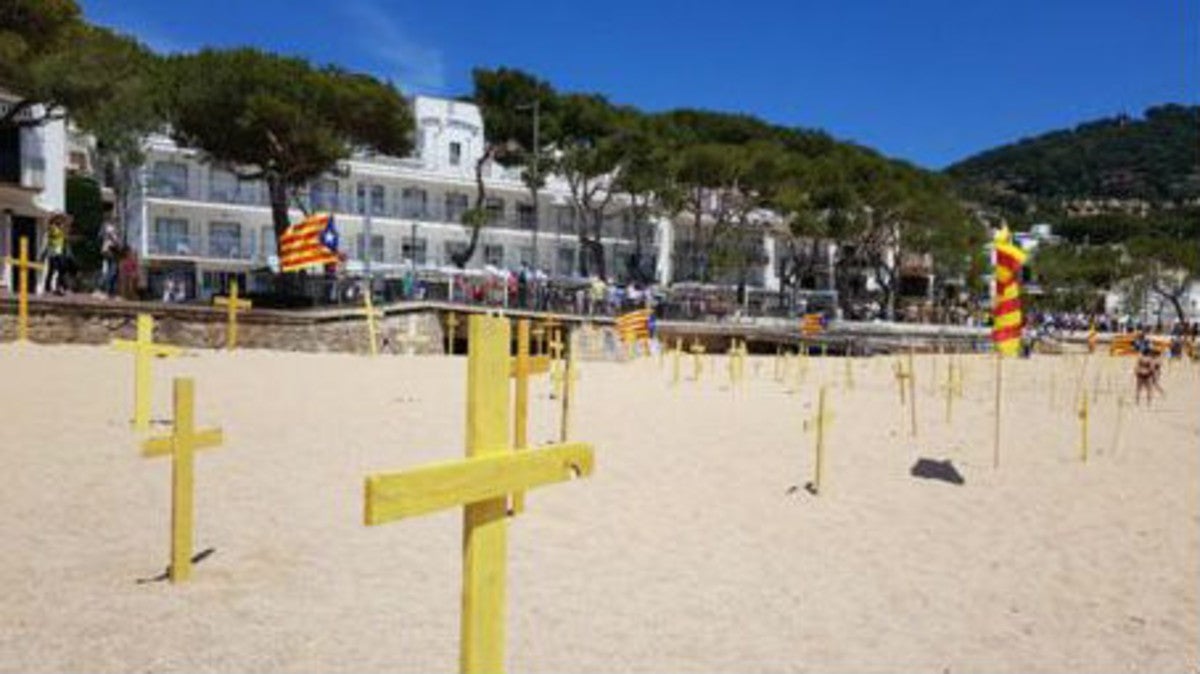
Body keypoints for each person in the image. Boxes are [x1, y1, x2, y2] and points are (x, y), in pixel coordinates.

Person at [42, 214, 69, 295]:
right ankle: (49, 288)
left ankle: (58, 287)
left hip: (58, 253)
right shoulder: (52, 229)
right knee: (54, 271)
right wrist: (51, 218)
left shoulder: (60, 231)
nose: (62, 224)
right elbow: (48, 226)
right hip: (54, 253)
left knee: (60, 271)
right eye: (60, 222)